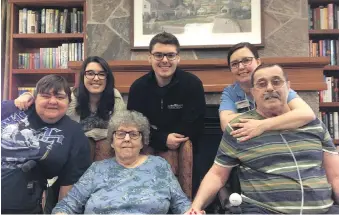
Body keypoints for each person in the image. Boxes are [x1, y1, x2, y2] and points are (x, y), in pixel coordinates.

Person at [188, 64, 339, 214]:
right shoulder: (240, 127)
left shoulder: (313, 125)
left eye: (276, 81)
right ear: (253, 92)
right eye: (262, 84)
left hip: (324, 211)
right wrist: (196, 207)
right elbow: (217, 174)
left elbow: (335, 176)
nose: (269, 88)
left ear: (289, 87)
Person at [52, 110, 191, 214]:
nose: (126, 139)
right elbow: (67, 205)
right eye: (120, 134)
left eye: (134, 134)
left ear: (143, 142)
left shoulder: (159, 166)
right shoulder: (97, 169)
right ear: (112, 142)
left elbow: (181, 203)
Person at [1, 75, 91, 214]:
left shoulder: (75, 134)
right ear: (34, 98)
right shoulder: (9, 109)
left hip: (22, 205)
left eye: (60, 97)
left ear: (69, 101)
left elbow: (69, 185)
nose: (53, 101)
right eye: (46, 96)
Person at [14, 56, 125, 161]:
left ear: (107, 77)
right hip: (75, 144)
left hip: (104, 144)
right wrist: (27, 95)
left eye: (101, 74)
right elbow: (45, 101)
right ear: (83, 76)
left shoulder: (115, 96)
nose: (96, 78)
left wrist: (93, 134)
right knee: (85, 142)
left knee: (106, 145)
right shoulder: (71, 96)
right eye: (90, 73)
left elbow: (119, 130)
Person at [219, 42, 315, 141]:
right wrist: (282, 118)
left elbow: (307, 114)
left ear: (258, 62)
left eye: (246, 60)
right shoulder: (230, 92)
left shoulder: (277, 87)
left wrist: (262, 125)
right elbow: (226, 123)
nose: (241, 67)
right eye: (234, 64)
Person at [127, 31, 205, 152]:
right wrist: (163, 139)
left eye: (170, 55)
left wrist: (173, 140)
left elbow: (195, 125)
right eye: (158, 55)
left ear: (178, 58)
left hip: (185, 145)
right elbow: (135, 125)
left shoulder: (193, 84)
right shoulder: (138, 88)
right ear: (150, 58)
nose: (164, 60)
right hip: (147, 145)